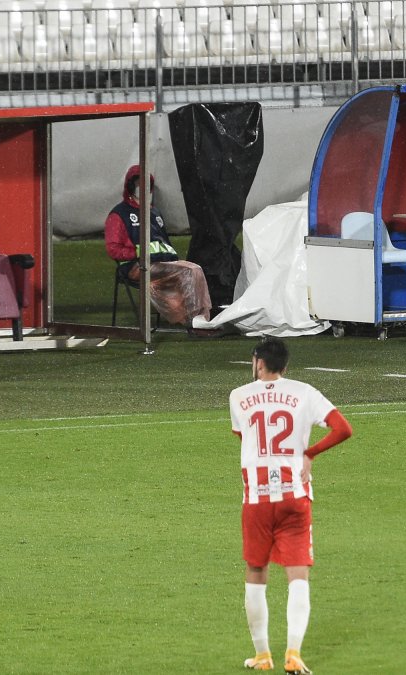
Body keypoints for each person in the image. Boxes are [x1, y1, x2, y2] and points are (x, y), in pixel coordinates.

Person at [230, 338, 353, 674]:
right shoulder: (304, 392)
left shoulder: (238, 396)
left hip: (256, 497)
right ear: (285, 365)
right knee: (297, 574)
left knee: (256, 571)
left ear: (258, 362)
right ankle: (294, 653)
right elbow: (344, 429)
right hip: (294, 495)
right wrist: (309, 453)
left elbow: (248, 441)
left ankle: (263, 655)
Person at [104, 165, 212, 329]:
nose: (143, 188)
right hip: (136, 266)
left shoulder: (155, 213)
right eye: (139, 184)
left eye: (146, 184)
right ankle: (193, 321)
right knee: (187, 271)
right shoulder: (119, 214)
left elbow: (163, 244)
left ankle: (201, 318)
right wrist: (138, 253)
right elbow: (113, 249)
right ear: (130, 186)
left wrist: (171, 260)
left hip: (159, 264)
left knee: (195, 268)